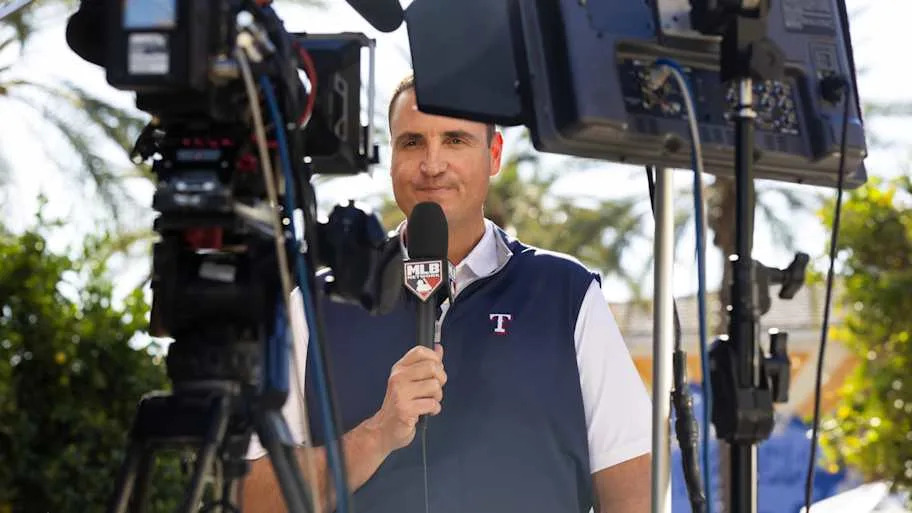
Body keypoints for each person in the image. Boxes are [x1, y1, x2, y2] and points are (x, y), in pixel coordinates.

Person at [243, 73, 652, 513]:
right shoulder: (316, 305)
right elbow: (253, 498)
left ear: (493, 155)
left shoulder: (566, 294)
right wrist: (377, 434)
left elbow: (633, 492)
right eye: (413, 142)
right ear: (392, 156)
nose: (432, 164)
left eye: (455, 140)